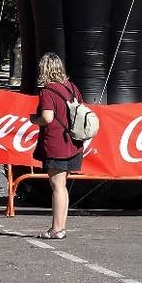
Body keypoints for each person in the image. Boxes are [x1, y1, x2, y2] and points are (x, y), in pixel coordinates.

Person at [30, 52, 82, 240]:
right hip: (73, 142)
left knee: (57, 186)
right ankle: (61, 226)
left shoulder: (48, 91)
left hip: (56, 143)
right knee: (63, 186)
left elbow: (47, 118)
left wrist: (33, 120)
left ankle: (56, 229)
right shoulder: (72, 87)